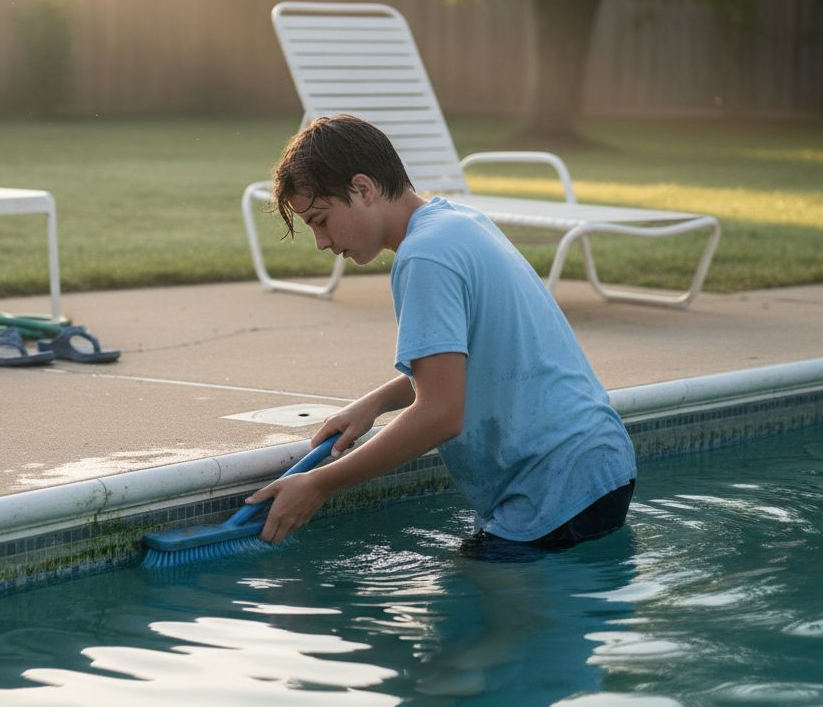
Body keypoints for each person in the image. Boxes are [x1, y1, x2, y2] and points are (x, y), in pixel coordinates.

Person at [245, 114, 637, 559]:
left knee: (476, 622)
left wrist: (318, 484)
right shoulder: (456, 222)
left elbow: (440, 414)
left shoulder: (424, 256)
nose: (320, 241)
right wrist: (375, 403)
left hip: (550, 485)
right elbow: (470, 356)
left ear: (364, 189)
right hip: (597, 464)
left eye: (321, 219)